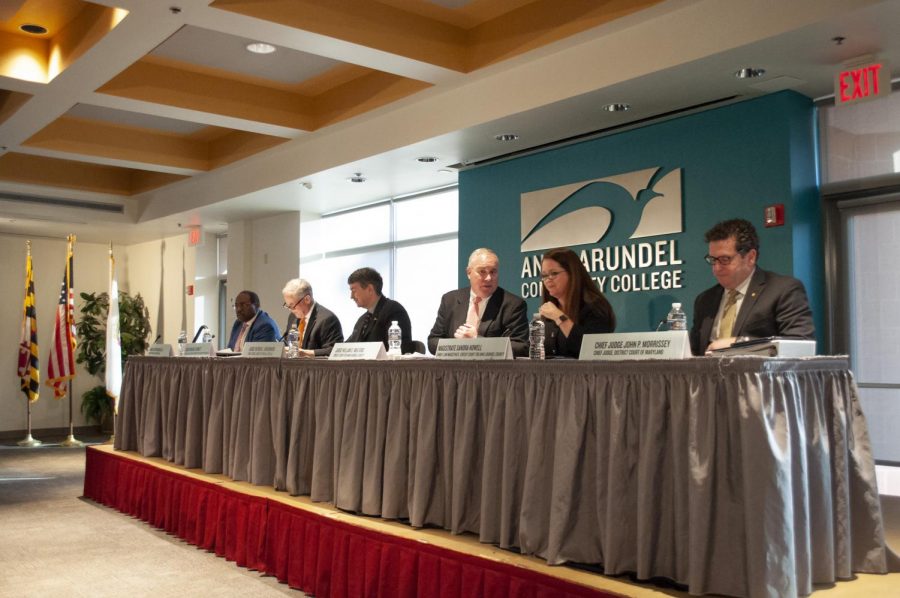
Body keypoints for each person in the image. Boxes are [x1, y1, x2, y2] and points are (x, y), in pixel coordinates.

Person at [690, 218, 815, 355]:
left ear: (750, 257)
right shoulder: (705, 300)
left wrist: (738, 344)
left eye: (725, 259)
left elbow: (799, 343)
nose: (716, 268)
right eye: (713, 260)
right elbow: (694, 352)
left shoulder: (783, 290)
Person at [427, 247, 529, 356]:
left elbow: (521, 346)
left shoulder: (513, 305)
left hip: (493, 371)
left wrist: (477, 341)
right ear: (469, 272)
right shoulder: (450, 300)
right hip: (455, 370)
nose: (489, 278)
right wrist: (458, 347)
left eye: (493, 272)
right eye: (482, 271)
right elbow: (433, 341)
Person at [538, 247, 616, 358]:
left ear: (572, 273)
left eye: (554, 273)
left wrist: (559, 317)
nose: (548, 279)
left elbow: (591, 349)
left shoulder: (594, 307)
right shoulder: (549, 310)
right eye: (544, 275)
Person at [345, 267, 414, 353]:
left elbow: (399, 350)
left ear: (370, 289)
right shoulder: (362, 320)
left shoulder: (394, 311)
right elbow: (347, 347)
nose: (351, 296)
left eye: (354, 291)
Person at [281, 278, 344, 357]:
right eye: (288, 306)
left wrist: (306, 353)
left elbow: (333, 351)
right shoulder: (293, 317)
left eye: (292, 305)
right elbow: (289, 342)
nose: (291, 310)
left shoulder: (327, 319)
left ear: (307, 299)